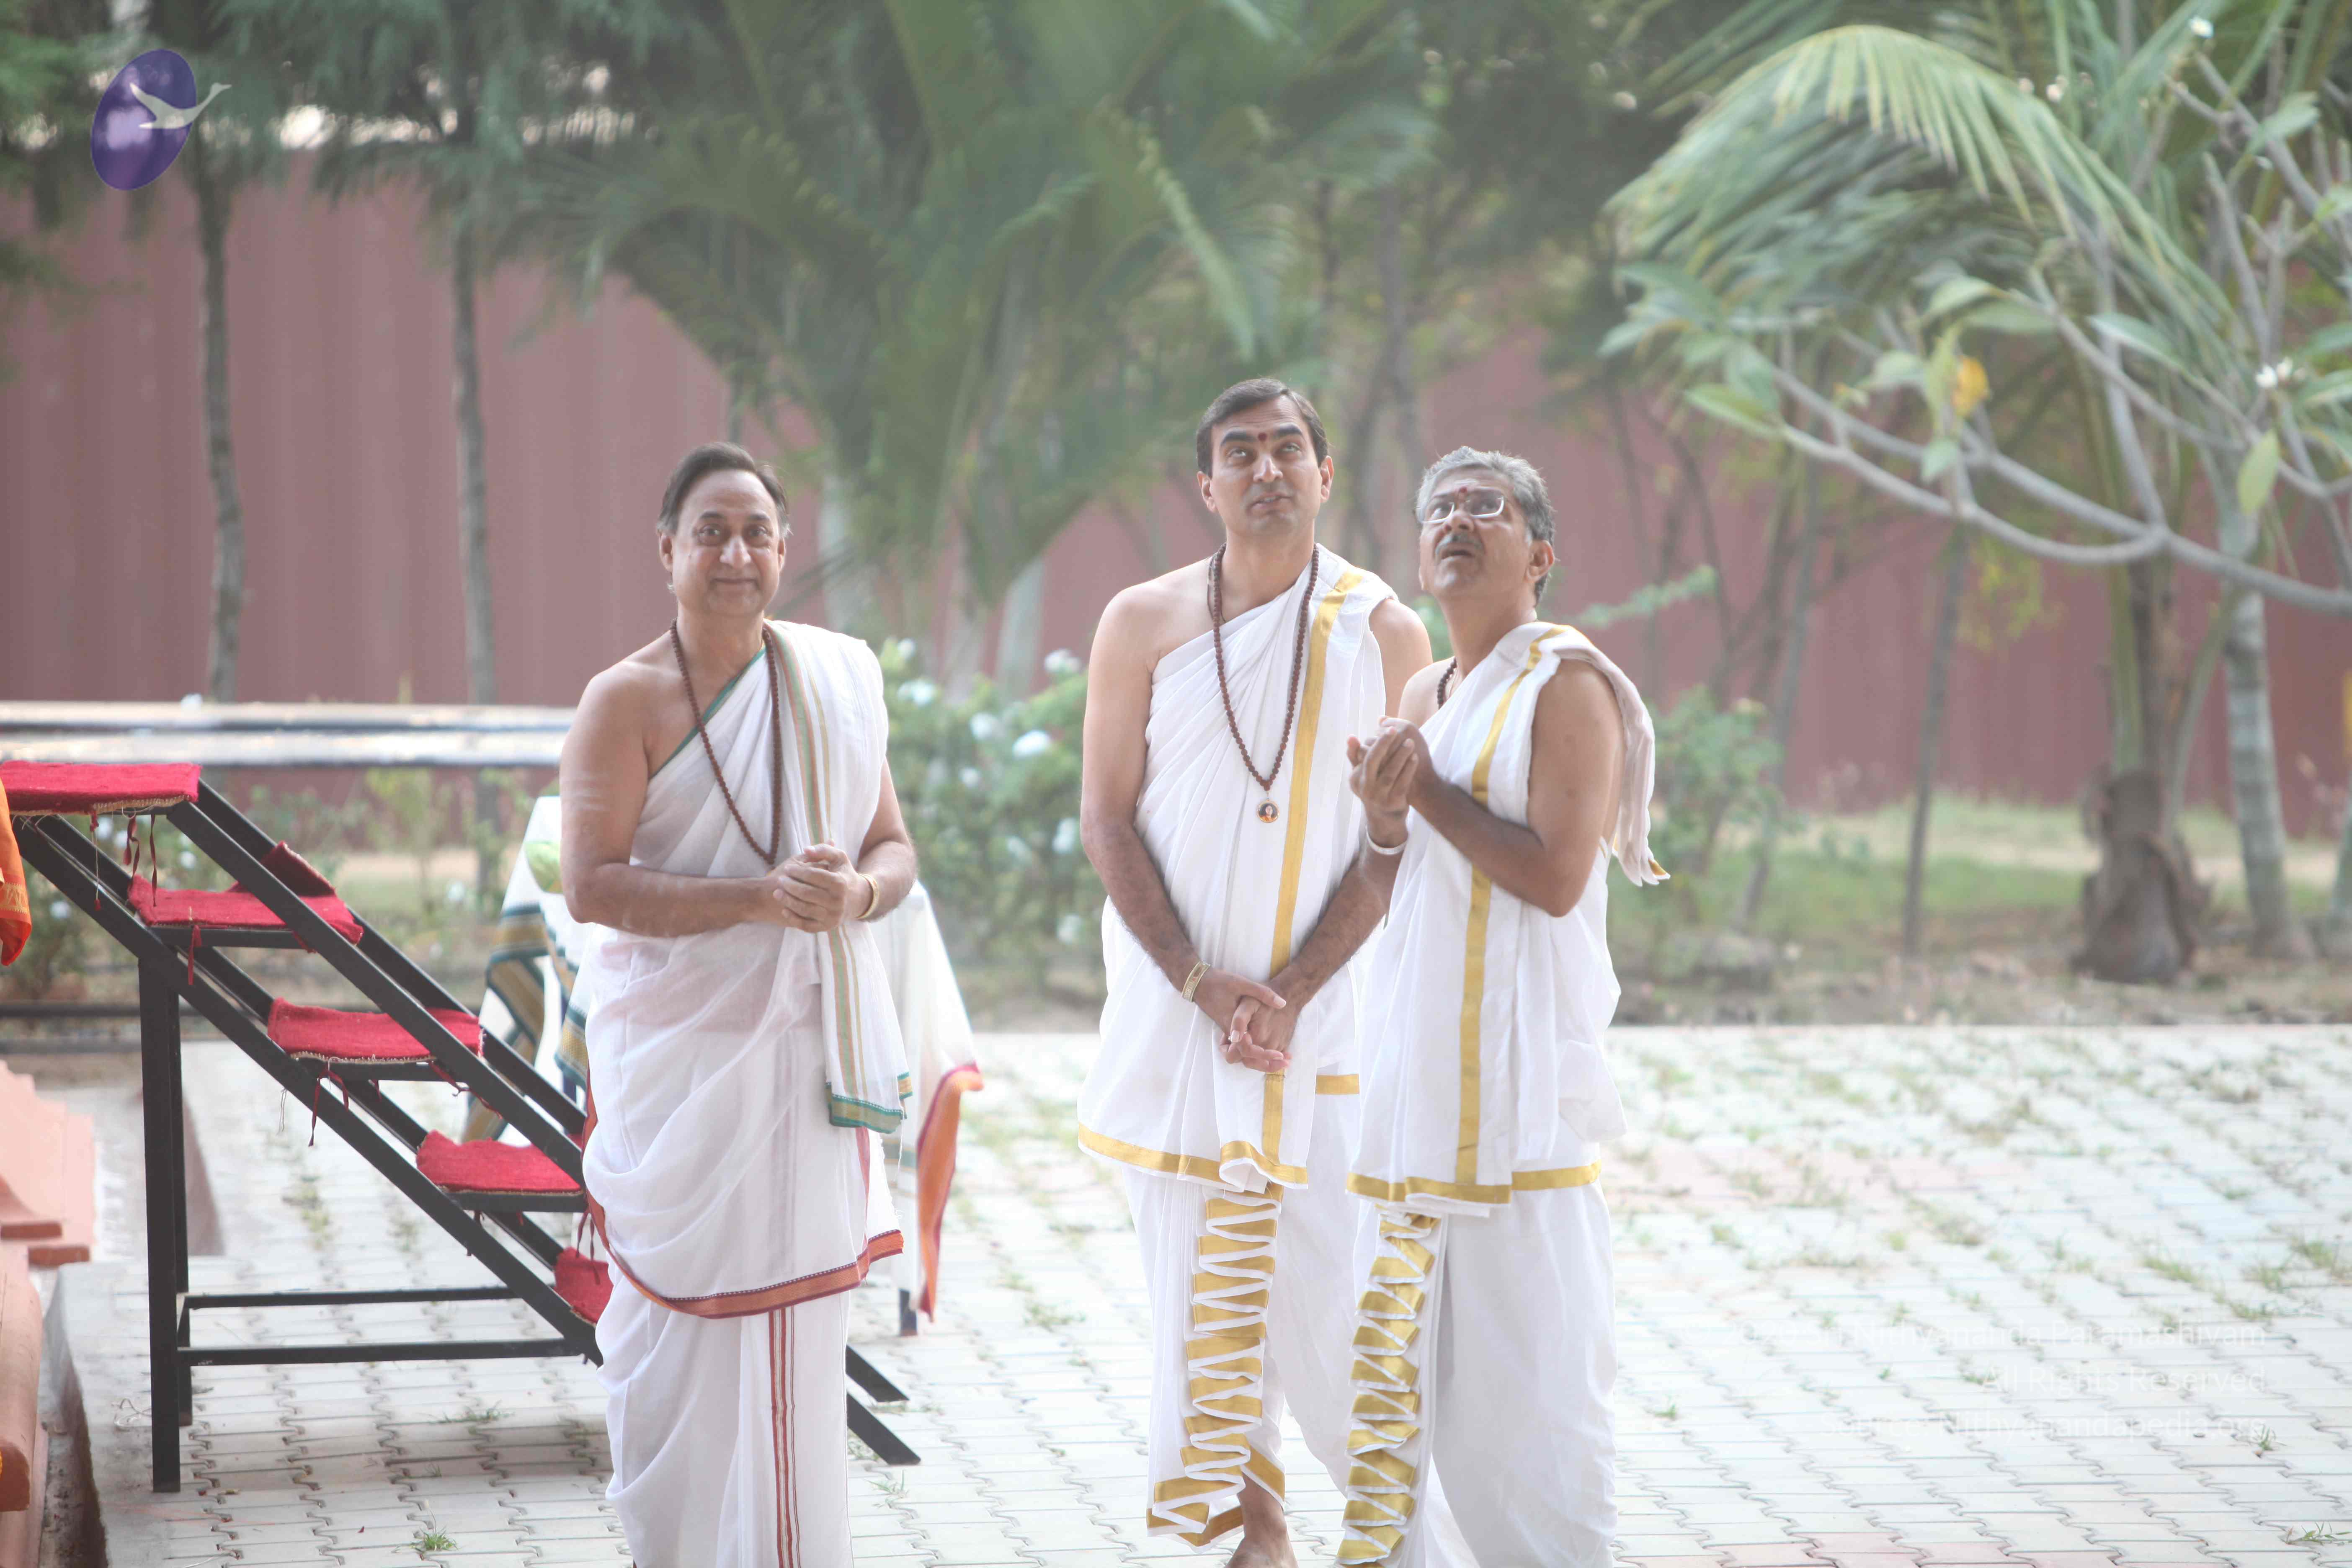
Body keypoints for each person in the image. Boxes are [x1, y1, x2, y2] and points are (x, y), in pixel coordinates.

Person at [1078, 378, 1433, 1565]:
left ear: (1328, 474)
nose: (1267, 470)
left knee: (1335, 1305)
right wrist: (1200, 982)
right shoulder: (1141, 621)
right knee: (1200, 1299)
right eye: (1241, 452)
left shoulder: (1386, 633)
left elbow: (1397, 848)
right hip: (1176, 1016)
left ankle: (1399, 1538)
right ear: (1207, 485)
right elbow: (1107, 821)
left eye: (1289, 449)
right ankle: (1257, 1538)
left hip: (1327, 1027)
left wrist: (1290, 995)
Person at [560, 441, 916, 1568]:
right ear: (667, 551)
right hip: (677, 1077)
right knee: (664, 1346)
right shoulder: (625, 699)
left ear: (784, 551)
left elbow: (894, 847)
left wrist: (856, 895)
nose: (735, 554)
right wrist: (757, 900)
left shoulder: (832, 682)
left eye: (757, 532)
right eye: (710, 532)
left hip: (801, 1066)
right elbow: (592, 885)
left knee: (796, 1351)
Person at [1335, 446, 1664, 1568]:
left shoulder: (1568, 686)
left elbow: (1558, 878)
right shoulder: (1422, 694)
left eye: (1489, 507)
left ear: (1541, 554)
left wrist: (1423, 788)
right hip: (1416, 1096)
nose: (1459, 521)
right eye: (1441, 508)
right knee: (1395, 1403)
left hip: (1519, 1120)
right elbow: (1394, 875)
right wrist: (1386, 816)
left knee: (1528, 1431)